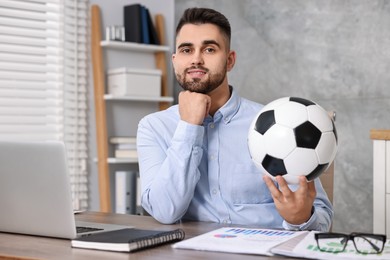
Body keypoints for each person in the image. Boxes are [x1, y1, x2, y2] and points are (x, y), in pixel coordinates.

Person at [137, 7, 333, 231]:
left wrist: (300, 218)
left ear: (230, 60)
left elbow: (322, 216)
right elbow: (164, 212)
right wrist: (189, 126)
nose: (196, 59)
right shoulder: (153, 127)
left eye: (209, 49)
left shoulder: (279, 123)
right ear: (174, 61)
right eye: (186, 50)